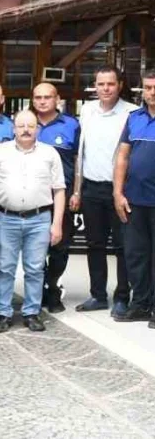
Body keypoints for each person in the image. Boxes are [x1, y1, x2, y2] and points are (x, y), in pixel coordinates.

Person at [0, 110, 66, 333]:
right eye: (21, 125)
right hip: (5, 218)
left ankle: (31, 312)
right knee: (4, 268)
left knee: (35, 268)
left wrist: (57, 223)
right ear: (13, 128)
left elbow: (59, 190)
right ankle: (3, 313)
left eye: (30, 126)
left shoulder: (49, 154)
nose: (25, 130)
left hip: (39, 219)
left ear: (37, 129)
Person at [73, 66, 136, 318]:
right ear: (95, 86)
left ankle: (122, 296)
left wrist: (120, 190)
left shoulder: (131, 113)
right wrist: (77, 190)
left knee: (122, 246)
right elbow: (81, 152)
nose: (106, 89)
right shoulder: (87, 111)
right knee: (94, 244)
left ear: (119, 85)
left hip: (119, 190)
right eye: (101, 84)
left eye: (110, 84)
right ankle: (98, 295)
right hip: (91, 187)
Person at [33, 81, 81, 313]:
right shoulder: (26, 124)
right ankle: (39, 289)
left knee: (60, 247)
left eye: (47, 97)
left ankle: (53, 288)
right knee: (36, 247)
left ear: (57, 99)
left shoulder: (71, 125)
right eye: (38, 97)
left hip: (63, 196)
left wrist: (77, 191)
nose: (42, 101)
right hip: (34, 198)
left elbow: (80, 160)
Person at [114, 70, 155, 326]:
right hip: (134, 201)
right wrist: (118, 193)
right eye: (148, 88)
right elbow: (122, 157)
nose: (152, 92)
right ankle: (140, 304)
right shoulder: (134, 119)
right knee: (136, 256)